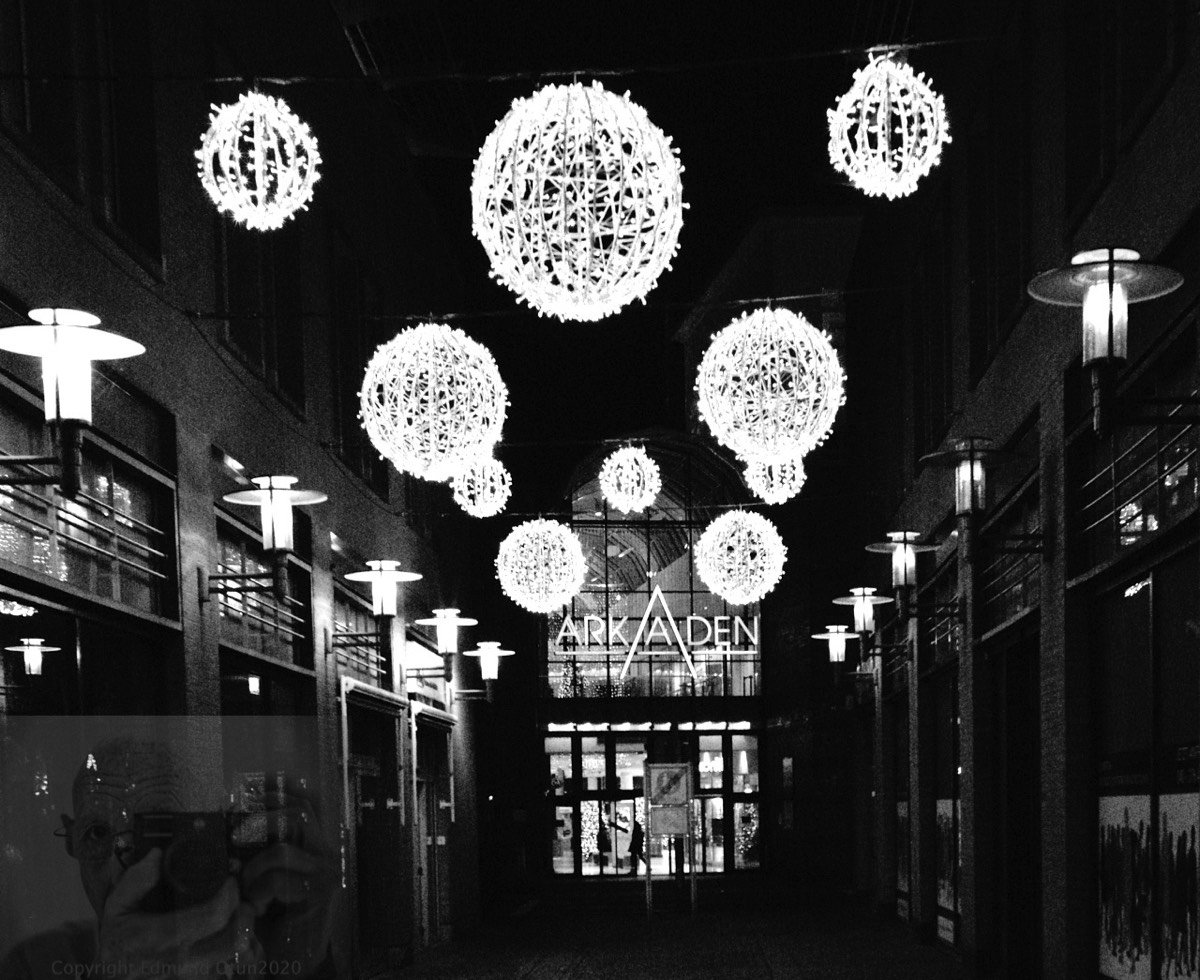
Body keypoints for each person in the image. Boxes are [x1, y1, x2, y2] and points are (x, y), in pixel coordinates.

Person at [0, 735, 336, 979]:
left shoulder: (250, 949)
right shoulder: (34, 963)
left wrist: (307, 962)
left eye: (159, 836)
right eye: (98, 834)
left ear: (209, 842)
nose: (127, 872)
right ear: (72, 842)